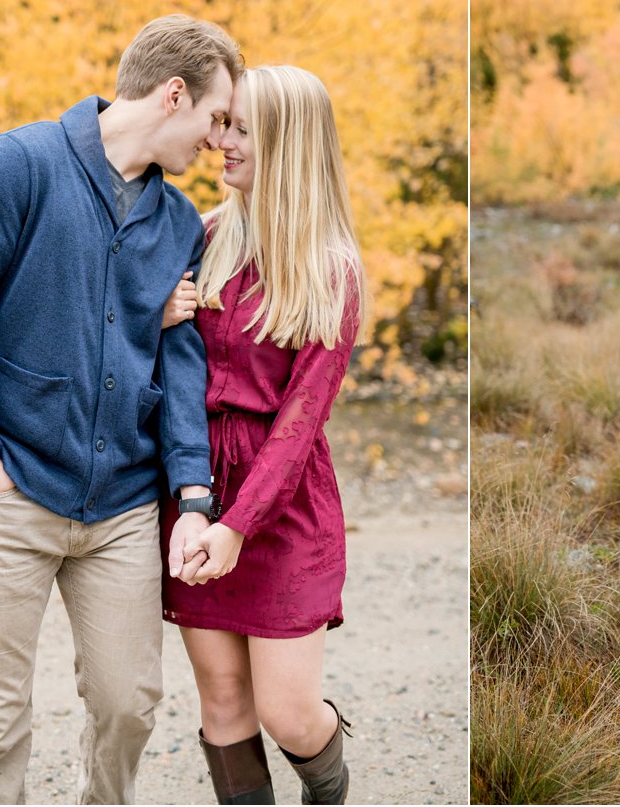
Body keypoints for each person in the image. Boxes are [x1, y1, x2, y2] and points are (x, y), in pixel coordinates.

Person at [0, 15, 242, 804]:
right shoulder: (17, 166)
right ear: (172, 94)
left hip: (123, 506)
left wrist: (192, 491)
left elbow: (179, 361)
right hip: (9, 491)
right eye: (213, 116)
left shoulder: (174, 224)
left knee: (130, 703)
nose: (215, 138)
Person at [158, 65, 368, 806]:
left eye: (242, 129)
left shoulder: (330, 270)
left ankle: (328, 780)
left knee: (287, 711)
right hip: (195, 487)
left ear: (289, 143)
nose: (223, 141)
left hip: (280, 503)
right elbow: (169, 368)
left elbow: (301, 420)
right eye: (225, 125)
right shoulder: (202, 236)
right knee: (222, 701)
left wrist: (240, 525)